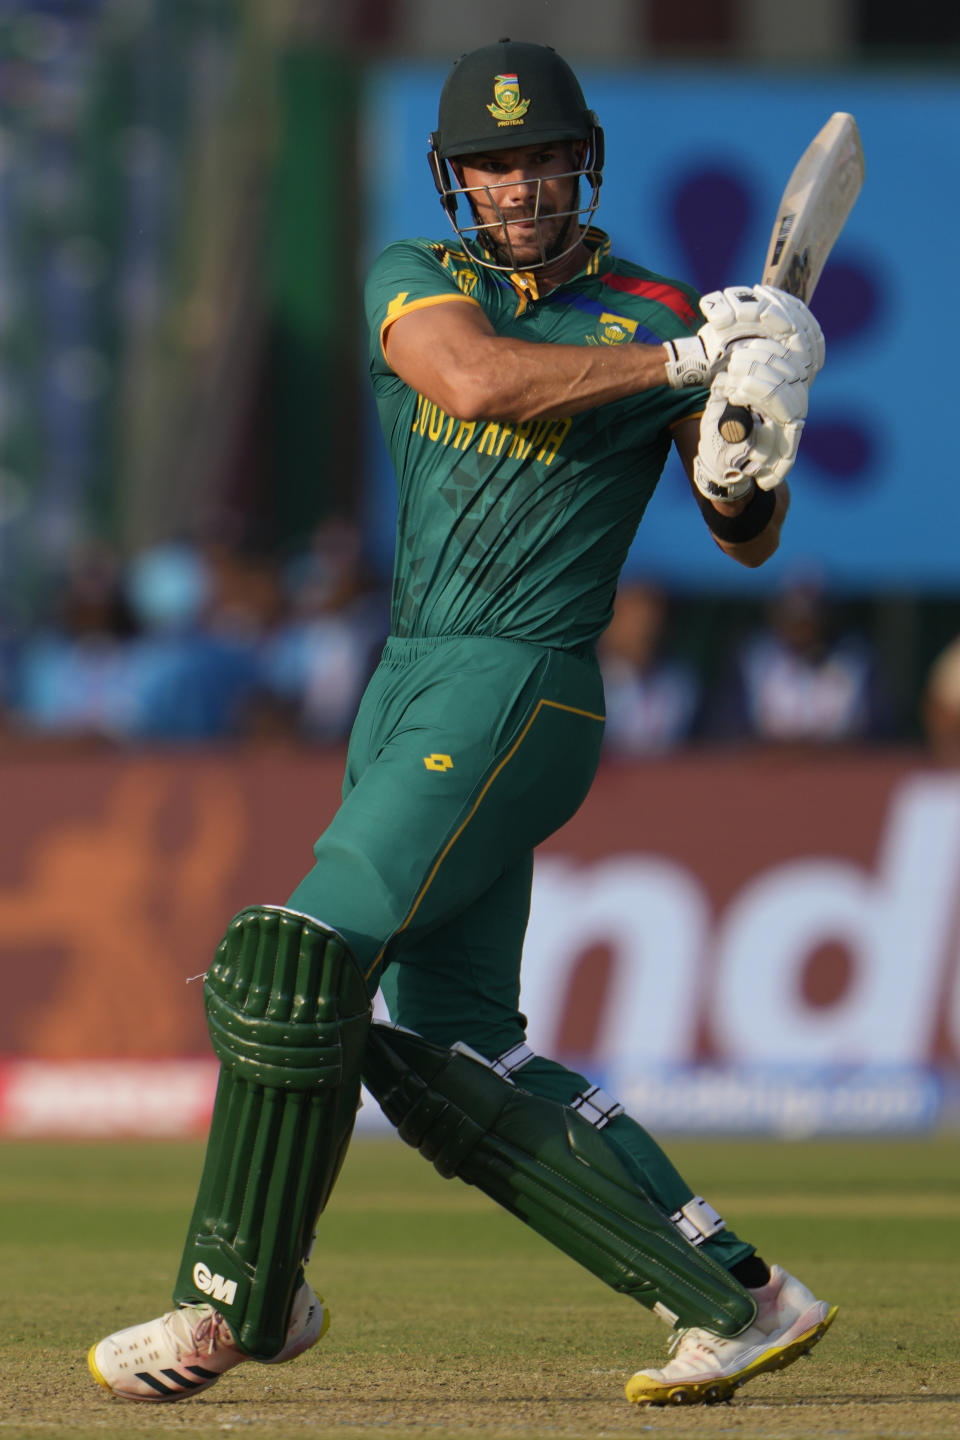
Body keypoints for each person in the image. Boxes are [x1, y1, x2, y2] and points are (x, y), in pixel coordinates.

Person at [88, 39, 836, 1410]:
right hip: (410, 677)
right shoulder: (416, 280)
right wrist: (689, 359)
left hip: (524, 680)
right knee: (443, 1053)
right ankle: (738, 1297)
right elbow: (477, 382)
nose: (521, 187)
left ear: (582, 160)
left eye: (542, 158)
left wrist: (739, 446)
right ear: (457, 180)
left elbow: (745, 535)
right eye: (493, 166)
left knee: (292, 961)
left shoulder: (663, 309)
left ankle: (234, 1305)